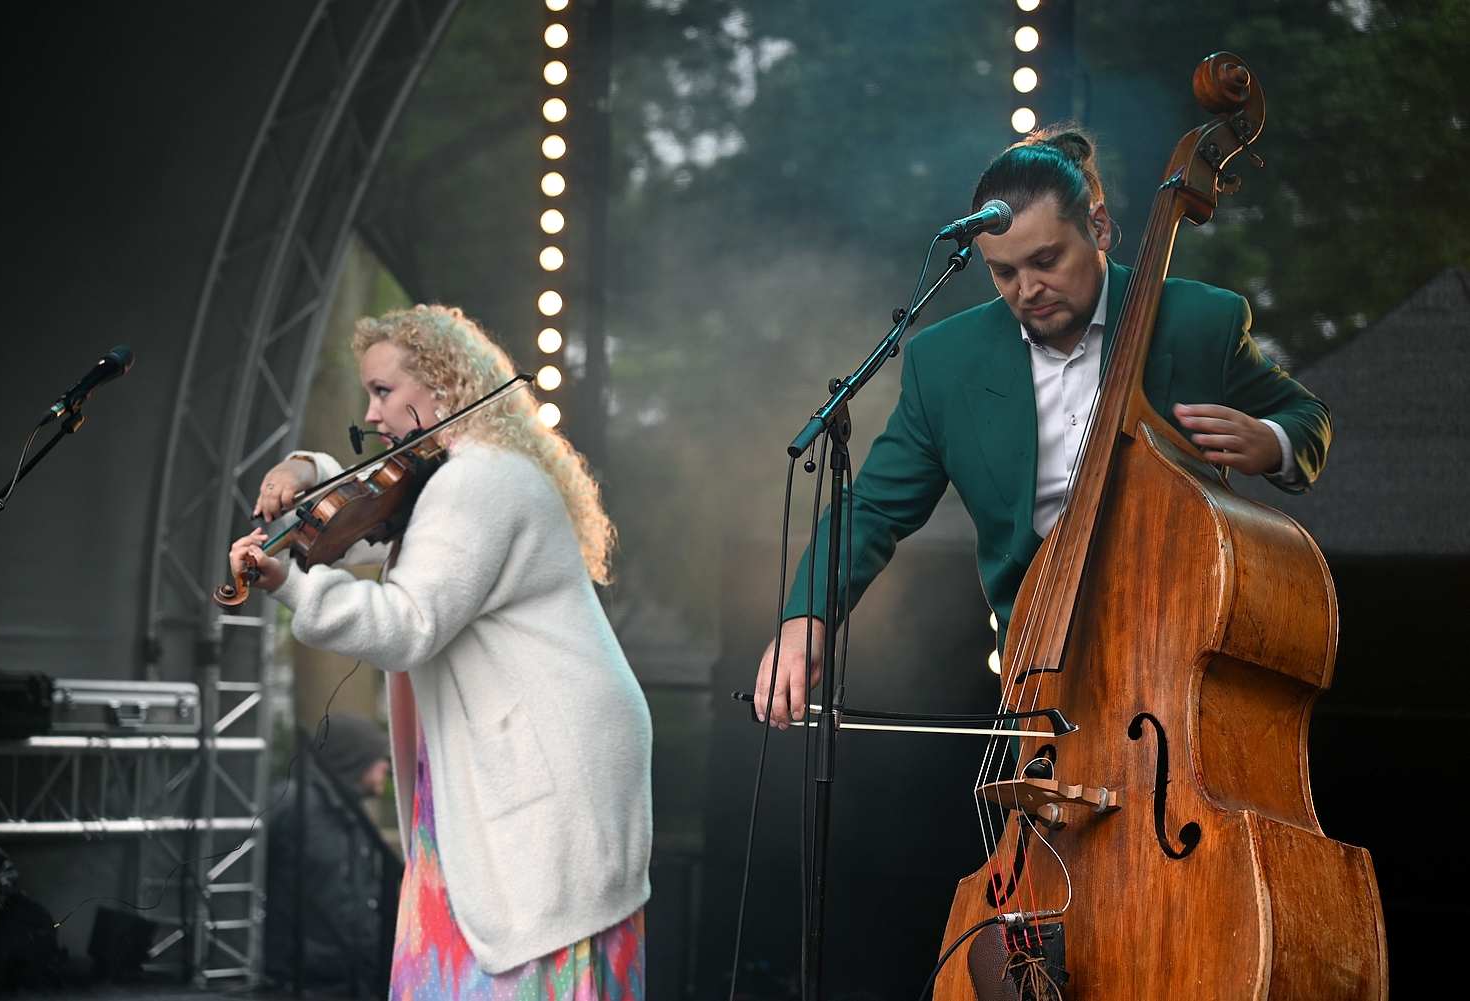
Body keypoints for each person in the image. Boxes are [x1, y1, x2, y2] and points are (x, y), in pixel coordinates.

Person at [753, 126, 1331, 728]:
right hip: (1042, 683)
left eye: (1046, 260)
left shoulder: (1199, 322)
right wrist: (806, 621)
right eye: (1003, 272)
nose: (1027, 289)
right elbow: (872, 508)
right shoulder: (945, 363)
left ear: (1099, 227)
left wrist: (1272, 442)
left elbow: (1307, 417)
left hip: (1178, 667)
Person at [231, 305, 652, 999]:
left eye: (383, 391)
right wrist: (305, 467)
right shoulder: (458, 473)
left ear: (442, 385)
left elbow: (407, 623)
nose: (371, 413)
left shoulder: (477, 481)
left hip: (545, 756)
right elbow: (368, 519)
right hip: (532, 750)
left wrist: (290, 585)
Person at [264, 712, 397, 996]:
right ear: (354, 758)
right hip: (300, 984)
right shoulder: (292, 805)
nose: (385, 765)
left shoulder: (354, 814)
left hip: (353, 981)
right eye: (376, 757)